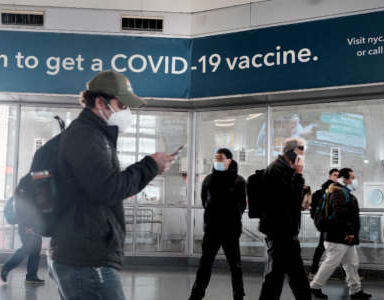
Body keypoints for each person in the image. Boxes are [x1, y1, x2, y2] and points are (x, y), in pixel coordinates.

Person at [47, 70, 175, 300]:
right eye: (122, 105)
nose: (127, 112)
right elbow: (108, 189)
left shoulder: (95, 136)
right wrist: (150, 166)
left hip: (84, 253)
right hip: (86, 258)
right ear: (100, 102)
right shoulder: (86, 136)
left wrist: (150, 167)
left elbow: (104, 186)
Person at [189, 148, 246, 300]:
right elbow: (204, 201)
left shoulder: (239, 181)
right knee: (205, 264)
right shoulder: (208, 179)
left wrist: (231, 216)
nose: (218, 161)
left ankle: (238, 295)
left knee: (235, 266)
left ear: (229, 160)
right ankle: (196, 294)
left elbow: (242, 205)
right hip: (212, 230)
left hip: (231, 230)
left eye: (221, 158)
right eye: (216, 159)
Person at [258, 137, 312, 300]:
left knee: (289, 276)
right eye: (301, 150)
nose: (303, 155)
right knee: (280, 277)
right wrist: (299, 175)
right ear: (292, 151)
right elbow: (289, 197)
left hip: (285, 230)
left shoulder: (283, 168)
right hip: (280, 231)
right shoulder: (277, 169)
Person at [310, 168, 371, 299]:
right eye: (352, 177)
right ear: (345, 179)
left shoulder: (342, 192)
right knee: (331, 263)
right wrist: (349, 232)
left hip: (341, 237)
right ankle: (314, 287)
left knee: (352, 263)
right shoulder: (340, 193)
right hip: (338, 237)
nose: (354, 180)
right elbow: (341, 215)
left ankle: (355, 290)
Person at [308, 168, 339, 279]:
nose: (337, 177)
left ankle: (314, 272)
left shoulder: (336, 190)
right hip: (328, 224)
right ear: (330, 176)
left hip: (330, 224)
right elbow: (313, 208)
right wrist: (319, 221)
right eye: (335, 175)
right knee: (324, 247)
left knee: (337, 248)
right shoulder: (323, 192)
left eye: (338, 175)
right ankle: (314, 273)